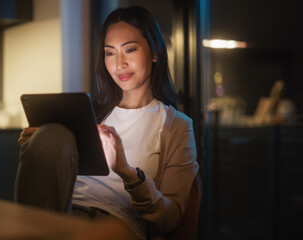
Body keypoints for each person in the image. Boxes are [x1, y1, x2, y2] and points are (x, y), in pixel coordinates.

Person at [14, 6, 199, 240]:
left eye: (129, 49)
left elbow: (170, 219)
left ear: (155, 52)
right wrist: (40, 146)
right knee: (48, 139)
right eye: (110, 53)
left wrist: (129, 173)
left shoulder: (177, 127)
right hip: (63, 215)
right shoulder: (87, 112)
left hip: (116, 226)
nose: (118, 63)